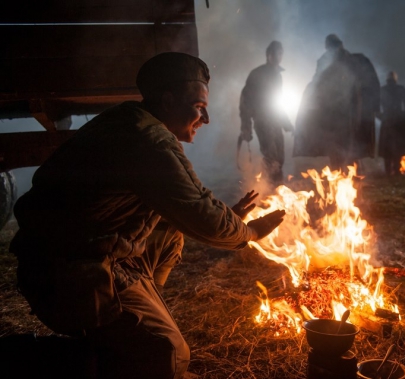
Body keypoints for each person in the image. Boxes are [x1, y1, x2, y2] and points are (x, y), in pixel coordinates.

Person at [10, 52, 285, 379]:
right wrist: (249, 233)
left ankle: (126, 321)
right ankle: (27, 359)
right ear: (168, 100)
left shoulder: (134, 122)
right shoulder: (146, 139)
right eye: (199, 107)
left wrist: (228, 217)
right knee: (168, 354)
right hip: (66, 271)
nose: (206, 118)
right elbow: (202, 213)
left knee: (170, 234)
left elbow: (188, 206)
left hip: (78, 254)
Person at [293, 34, 380, 172]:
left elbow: (364, 84)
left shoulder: (354, 61)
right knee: (335, 147)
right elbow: (317, 83)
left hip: (349, 110)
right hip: (332, 112)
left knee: (350, 145)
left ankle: (350, 176)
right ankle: (339, 176)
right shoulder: (325, 61)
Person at [239, 41, 294, 186]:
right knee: (271, 157)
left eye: (281, 53)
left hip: (275, 122)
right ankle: (271, 189)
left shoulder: (278, 76)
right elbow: (245, 101)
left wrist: (287, 125)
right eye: (275, 53)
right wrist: (246, 126)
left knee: (280, 158)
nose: (278, 56)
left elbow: (278, 103)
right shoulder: (257, 74)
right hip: (262, 121)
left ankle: (275, 187)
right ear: (268, 55)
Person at [377, 71, 405, 175]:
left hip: (388, 121)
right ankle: (396, 170)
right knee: (398, 147)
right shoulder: (400, 89)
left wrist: (382, 117)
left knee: (387, 147)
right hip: (398, 121)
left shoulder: (382, 90)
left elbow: (375, 108)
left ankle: (388, 170)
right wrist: (404, 116)